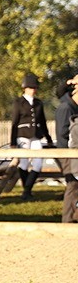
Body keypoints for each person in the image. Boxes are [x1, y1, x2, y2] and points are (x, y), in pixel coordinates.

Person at [8, 72, 53, 199]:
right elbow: (14, 123)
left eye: (35, 88)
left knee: (38, 163)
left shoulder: (39, 103)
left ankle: (27, 190)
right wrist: (12, 141)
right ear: (25, 88)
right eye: (31, 88)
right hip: (22, 135)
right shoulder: (18, 102)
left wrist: (48, 138)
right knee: (24, 163)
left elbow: (43, 122)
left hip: (36, 135)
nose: (33, 90)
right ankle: (27, 191)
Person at [56, 75, 78, 223]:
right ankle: (68, 220)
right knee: (72, 184)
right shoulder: (66, 108)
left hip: (73, 151)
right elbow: (63, 132)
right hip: (67, 152)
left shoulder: (73, 107)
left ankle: (74, 217)